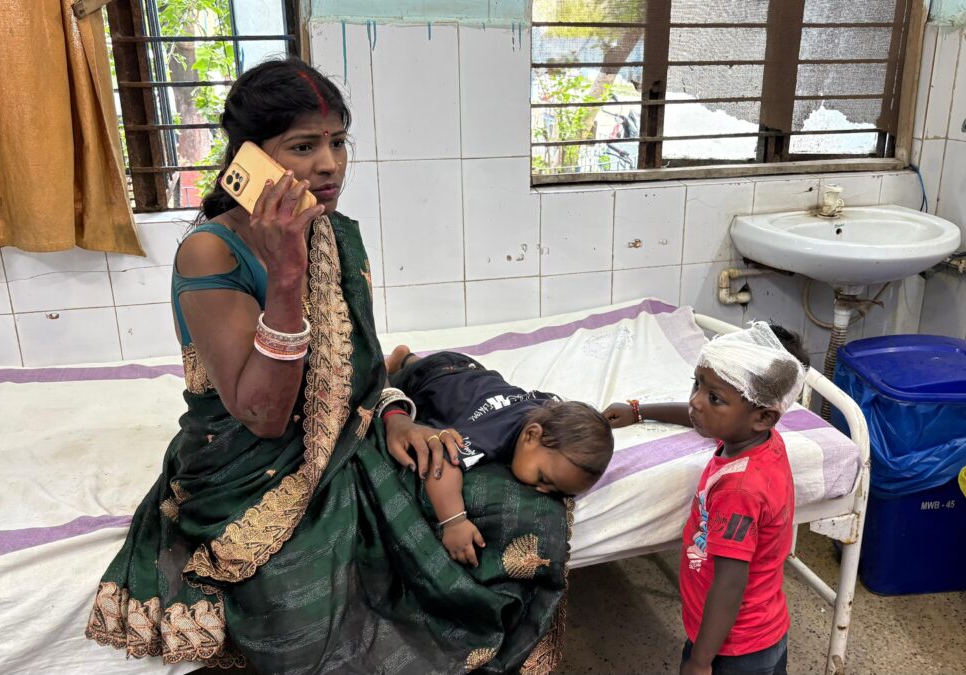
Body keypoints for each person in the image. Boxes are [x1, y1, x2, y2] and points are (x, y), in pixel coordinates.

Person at [85, 57, 569, 675]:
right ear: (249, 157)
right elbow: (262, 415)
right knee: (307, 602)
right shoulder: (210, 252)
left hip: (351, 436)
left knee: (517, 505)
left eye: (338, 142)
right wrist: (285, 274)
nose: (329, 164)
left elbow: (359, 364)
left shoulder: (332, 232)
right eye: (303, 146)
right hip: (250, 469)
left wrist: (395, 418)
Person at [602, 322, 807, 675]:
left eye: (714, 398)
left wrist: (699, 661)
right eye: (697, 383)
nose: (695, 401)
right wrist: (639, 411)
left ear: (763, 417)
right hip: (760, 631)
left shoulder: (738, 490)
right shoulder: (755, 439)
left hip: (732, 648)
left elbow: (730, 584)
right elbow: (701, 415)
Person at [384, 350, 614, 566]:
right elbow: (442, 461)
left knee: (428, 366)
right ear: (531, 435)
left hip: (473, 372)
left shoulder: (547, 410)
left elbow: (572, 417)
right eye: (543, 478)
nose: (543, 491)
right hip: (427, 380)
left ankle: (406, 356)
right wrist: (454, 521)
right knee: (389, 386)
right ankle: (396, 363)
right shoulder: (491, 435)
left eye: (558, 492)